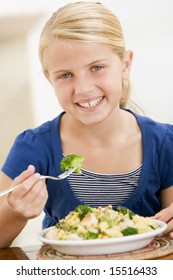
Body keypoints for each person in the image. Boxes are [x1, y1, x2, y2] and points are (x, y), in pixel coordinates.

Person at [0, 1, 173, 248]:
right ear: (50, 79)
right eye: (66, 75)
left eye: (97, 68)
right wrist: (15, 212)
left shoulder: (164, 144)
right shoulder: (33, 147)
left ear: (125, 65)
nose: (83, 89)